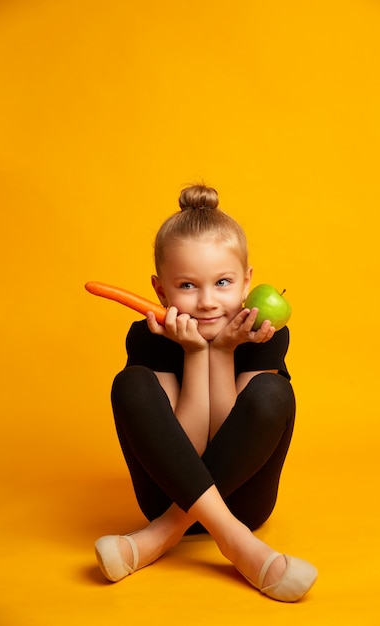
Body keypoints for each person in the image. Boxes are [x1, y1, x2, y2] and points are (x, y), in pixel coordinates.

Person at [94, 184, 317, 602]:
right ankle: (237, 545)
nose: (208, 302)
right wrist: (196, 352)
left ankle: (161, 535)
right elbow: (190, 448)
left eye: (223, 282)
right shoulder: (148, 337)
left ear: (248, 281)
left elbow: (229, 443)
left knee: (272, 392)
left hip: (243, 503)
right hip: (167, 490)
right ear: (160, 291)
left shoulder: (265, 333)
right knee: (132, 383)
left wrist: (228, 349)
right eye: (188, 286)